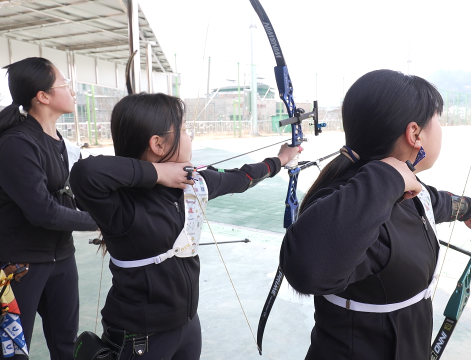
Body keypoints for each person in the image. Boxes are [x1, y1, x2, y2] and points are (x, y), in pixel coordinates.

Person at [279, 69, 471, 359]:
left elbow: (431, 204)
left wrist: (470, 207)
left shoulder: (395, 188)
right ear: (415, 133)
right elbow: (307, 269)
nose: (440, 128)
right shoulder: (366, 195)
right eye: (437, 120)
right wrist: (386, 176)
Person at [69, 92, 300, 359]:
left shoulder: (193, 184)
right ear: (157, 143)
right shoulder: (120, 202)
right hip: (140, 337)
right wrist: (159, 173)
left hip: (187, 325)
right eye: (184, 129)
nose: (189, 137)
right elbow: (85, 174)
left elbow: (241, 178)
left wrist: (280, 160)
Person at [0, 57, 99, 360]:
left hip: (62, 260)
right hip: (19, 268)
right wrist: (99, 222)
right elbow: (42, 211)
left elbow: (73, 194)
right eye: (66, 85)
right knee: (14, 352)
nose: (72, 91)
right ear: (43, 96)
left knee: (66, 346)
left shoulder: (62, 143)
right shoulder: (16, 144)